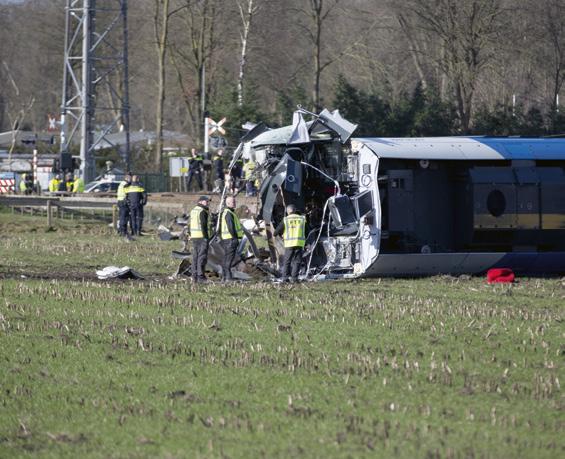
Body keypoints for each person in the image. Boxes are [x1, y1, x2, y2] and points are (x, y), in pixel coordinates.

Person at [274, 204, 306, 283]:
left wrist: (281, 235)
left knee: (287, 261)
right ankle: (294, 278)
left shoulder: (285, 220)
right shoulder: (302, 219)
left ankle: (285, 278)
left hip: (289, 244)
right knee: (297, 261)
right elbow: (307, 230)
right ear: (295, 210)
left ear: (287, 212)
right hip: (299, 243)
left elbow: (275, 232)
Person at [219, 196, 243, 281]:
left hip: (227, 239)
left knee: (226, 259)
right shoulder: (229, 213)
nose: (235, 203)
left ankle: (225, 277)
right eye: (233, 202)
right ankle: (228, 278)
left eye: (235, 201)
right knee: (228, 260)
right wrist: (235, 238)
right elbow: (231, 227)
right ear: (227, 203)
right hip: (230, 240)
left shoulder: (227, 212)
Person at [189, 196, 211, 283]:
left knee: (195, 257)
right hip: (202, 237)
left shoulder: (194, 210)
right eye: (206, 201)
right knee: (202, 257)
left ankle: (194, 276)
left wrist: (189, 234)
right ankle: (201, 277)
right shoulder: (202, 211)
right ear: (201, 202)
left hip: (194, 236)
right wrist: (206, 238)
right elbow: (203, 225)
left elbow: (190, 224)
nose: (208, 203)